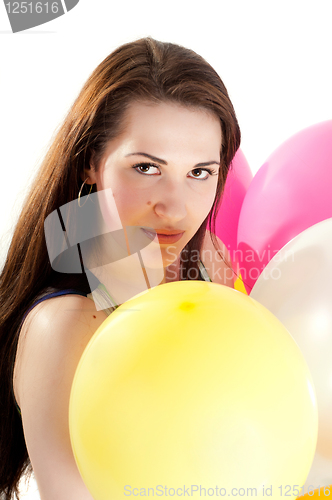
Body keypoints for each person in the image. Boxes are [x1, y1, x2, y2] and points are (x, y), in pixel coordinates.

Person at [0, 37, 240, 499]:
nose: (175, 207)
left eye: (200, 172)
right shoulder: (63, 327)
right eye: (148, 168)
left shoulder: (211, 264)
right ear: (91, 161)